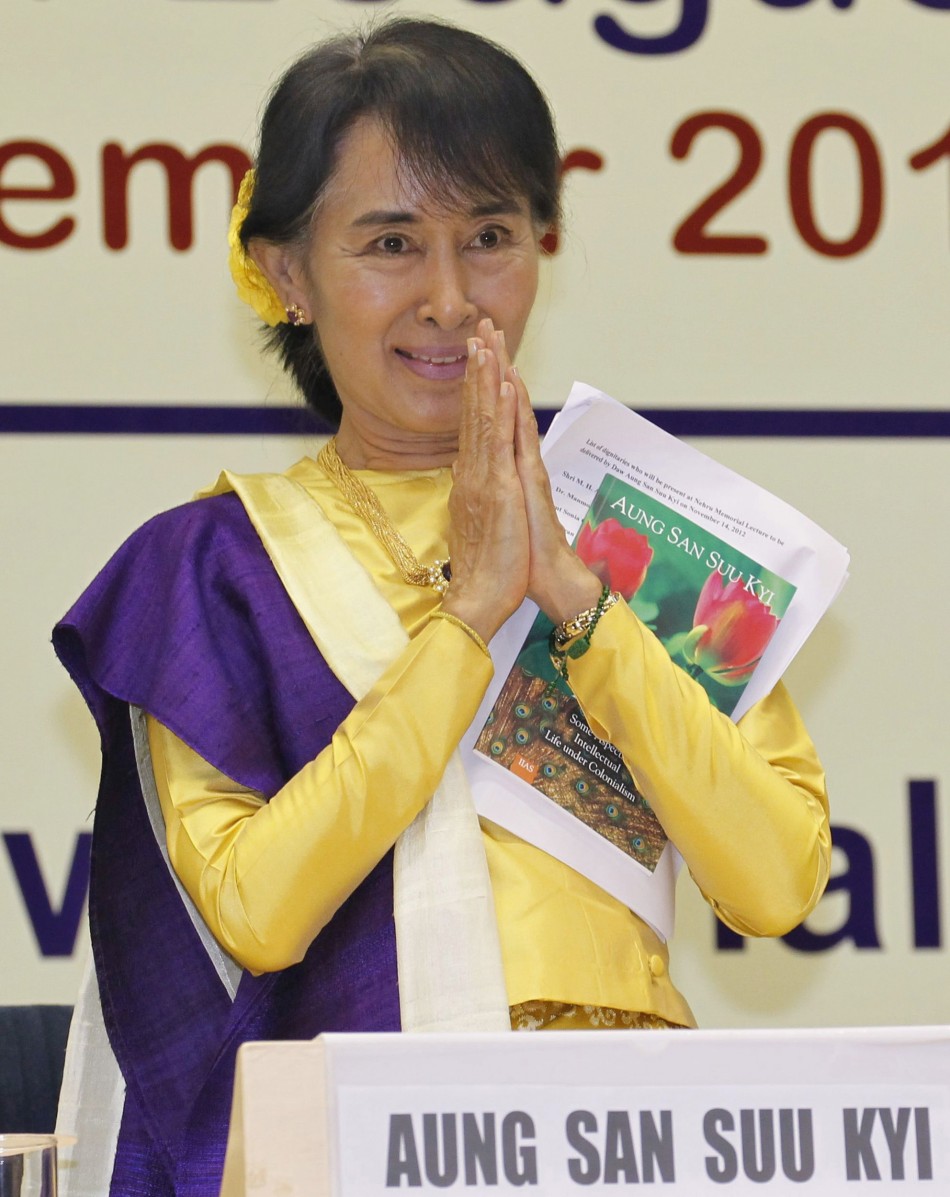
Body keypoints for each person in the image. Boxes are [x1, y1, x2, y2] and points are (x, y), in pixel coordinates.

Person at [52, 17, 831, 1196]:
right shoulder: (209, 567)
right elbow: (258, 915)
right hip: (360, 1147)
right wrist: (465, 622)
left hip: (633, 1146)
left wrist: (577, 602)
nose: (452, 296)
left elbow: (773, 885)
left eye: (489, 237)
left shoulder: (639, 529)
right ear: (284, 274)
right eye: (389, 243)